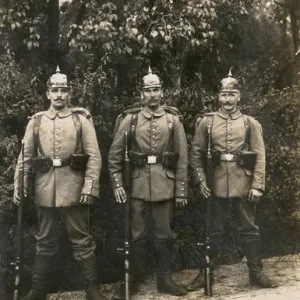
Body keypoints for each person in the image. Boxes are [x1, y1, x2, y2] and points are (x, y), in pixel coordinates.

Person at [13, 66, 108, 300]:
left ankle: (92, 289)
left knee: (82, 239)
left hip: (74, 187)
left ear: (69, 93)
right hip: (44, 188)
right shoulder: (36, 122)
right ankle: (38, 290)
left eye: (63, 90)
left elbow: (94, 156)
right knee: (44, 240)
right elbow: (24, 158)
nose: (59, 95)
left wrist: (89, 186)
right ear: (47, 94)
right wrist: (20, 185)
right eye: (54, 90)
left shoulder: (80, 120)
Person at [187, 70, 276, 291]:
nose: (227, 99)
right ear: (218, 97)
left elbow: (260, 155)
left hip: (243, 183)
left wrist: (257, 185)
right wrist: (200, 181)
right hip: (215, 183)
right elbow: (196, 154)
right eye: (224, 95)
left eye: (232, 94)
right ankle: (205, 272)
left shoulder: (249, 123)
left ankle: (256, 271)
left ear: (239, 97)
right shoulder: (207, 123)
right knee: (212, 230)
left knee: (249, 228)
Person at [108, 67, 188, 299]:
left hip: (165, 185)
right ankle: (133, 279)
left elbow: (182, 158)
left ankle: (165, 278)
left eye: (156, 89)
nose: (152, 94)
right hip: (137, 186)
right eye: (148, 90)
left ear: (162, 93)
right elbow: (114, 157)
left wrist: (181, 190)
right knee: (137, 235)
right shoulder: (130, 121)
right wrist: (118, 184)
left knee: (165, 235)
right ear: (141, 94)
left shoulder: (173, 121)